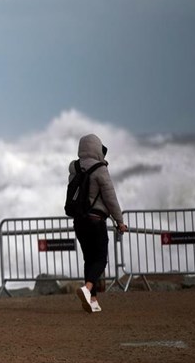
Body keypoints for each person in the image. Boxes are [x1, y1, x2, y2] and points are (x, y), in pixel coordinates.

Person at [69, 134, 127, 313]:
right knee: (101, 259)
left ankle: (92, 300)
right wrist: (120, 221)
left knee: (89, 259)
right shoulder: (100, 169)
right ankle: (87, 288)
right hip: (96, 220)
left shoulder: (75, 167)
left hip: (79, 221)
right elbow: (110, 197)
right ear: (96, 148)